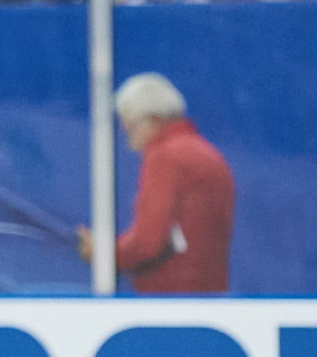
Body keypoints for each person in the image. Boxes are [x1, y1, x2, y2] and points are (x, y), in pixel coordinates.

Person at [77, 72, 234, 293]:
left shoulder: (165, 156)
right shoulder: (207, 154)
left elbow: (148, 242)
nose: (130, 144)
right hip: (209, 291)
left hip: (168, 296)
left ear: (151, 120)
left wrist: (104, 253)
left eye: (129, 129)